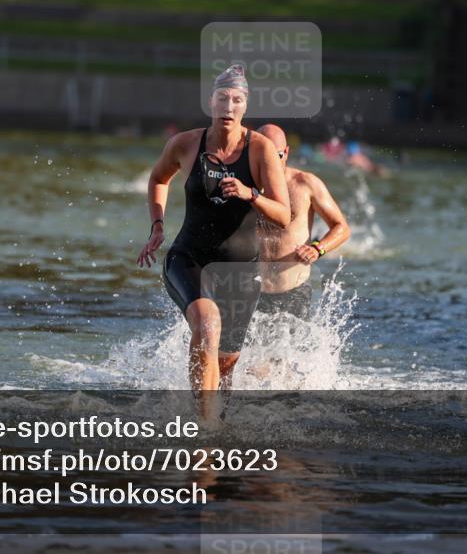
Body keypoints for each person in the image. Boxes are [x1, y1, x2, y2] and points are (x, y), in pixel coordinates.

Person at [136, 65, 290, 402]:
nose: (228, 107)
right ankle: (204, 426)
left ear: (245, 106)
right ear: (211, 102)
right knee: (207, 327)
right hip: (189, 258)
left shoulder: (261, 149)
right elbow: (158, 178)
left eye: (236, 100)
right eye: (222, 98)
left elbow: (283, 215)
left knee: (225, 363)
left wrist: (251, 194)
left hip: (241, 270)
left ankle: (216, 415)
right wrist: (157, 225)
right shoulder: (185, 143)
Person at [255, 124, 350, 320]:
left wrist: (317, 249)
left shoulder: (305, 183)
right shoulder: (242, 187)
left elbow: (341, 227)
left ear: (286, 152)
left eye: (277, 155)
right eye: (265, 155)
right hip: (251, 293)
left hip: (294, 292)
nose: (271, 162)